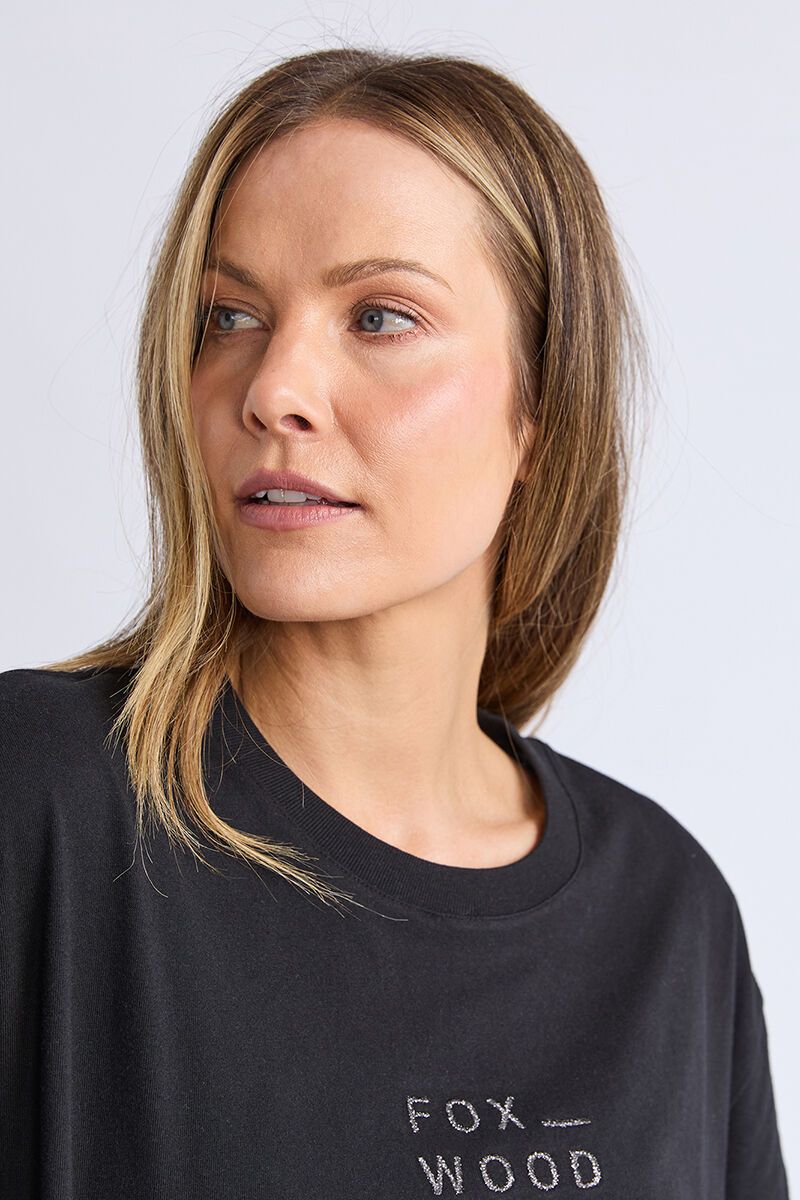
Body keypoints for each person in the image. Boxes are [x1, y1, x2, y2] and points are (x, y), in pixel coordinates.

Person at [0, 45, 789, 1199]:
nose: (272, 389)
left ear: (540, 409)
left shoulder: (669, 918)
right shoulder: (39, 804)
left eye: (378, 316)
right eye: (228, 315)